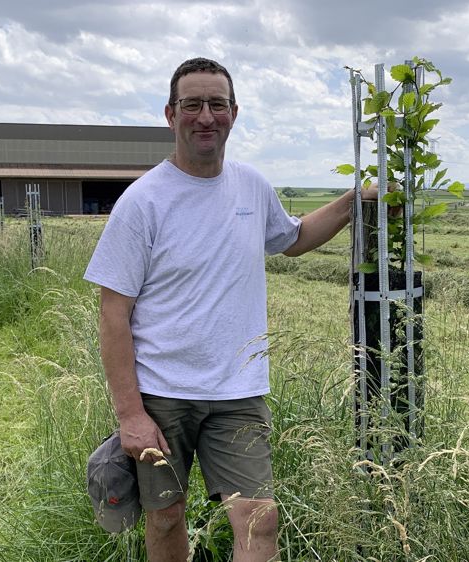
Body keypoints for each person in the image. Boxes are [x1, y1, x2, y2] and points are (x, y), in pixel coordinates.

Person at [84, 57, 383, 562]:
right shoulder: (143, 202)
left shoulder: (251, 186)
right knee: (166, 516)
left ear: (234, 113)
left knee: (259, 520)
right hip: (162, 394)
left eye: (216, 104)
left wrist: (355, 201)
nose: (206, 116)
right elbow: (113, 313)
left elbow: (292, 238)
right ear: (170, 114)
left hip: (238, 392)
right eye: (192, 104)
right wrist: (130, 415)